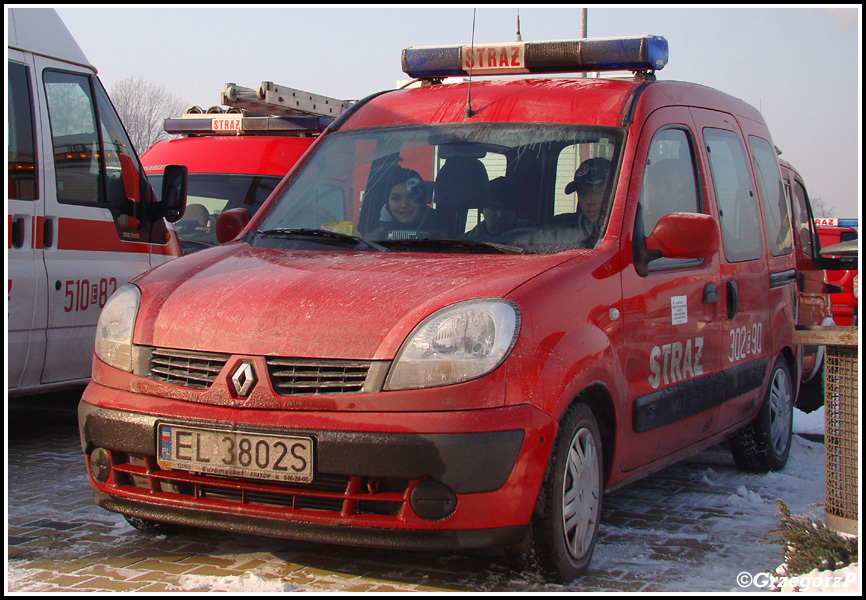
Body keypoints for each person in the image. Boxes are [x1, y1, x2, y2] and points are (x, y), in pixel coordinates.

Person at [369, 167, 436, 240]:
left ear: (422, 201)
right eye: (396, 199)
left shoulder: (445, 234)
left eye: (411, 197)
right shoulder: (374, 241)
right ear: (388, 204)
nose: (404, 205)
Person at [561, 157, 612, 238]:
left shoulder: (632, 231)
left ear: (613, 192)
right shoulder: (564, 233)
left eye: (597, 191)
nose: (589, 201)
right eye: (583, 193)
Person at [465, 177, 520, 242]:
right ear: (482, 210)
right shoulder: (465, 244)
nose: (500, 215)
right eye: (494, 208)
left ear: (516, 212)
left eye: (507, 208)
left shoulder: (532, 239)